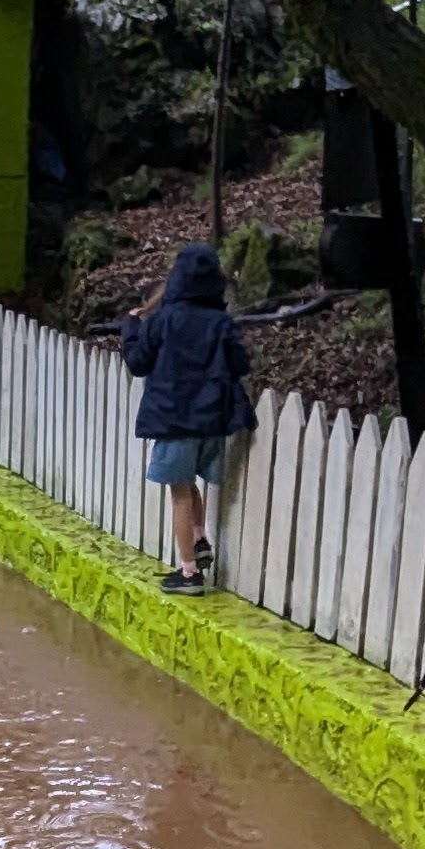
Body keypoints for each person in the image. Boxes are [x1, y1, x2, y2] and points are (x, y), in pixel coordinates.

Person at [122, 241, 254, 595]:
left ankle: (189, 572)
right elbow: (241, 363)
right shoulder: (221, 323)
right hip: (211, 422)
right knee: (190, 480)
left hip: (174, 420)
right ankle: (199, 539)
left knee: (179, 492)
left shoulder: (163, 320)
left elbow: (138, 362)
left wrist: (131, 329)